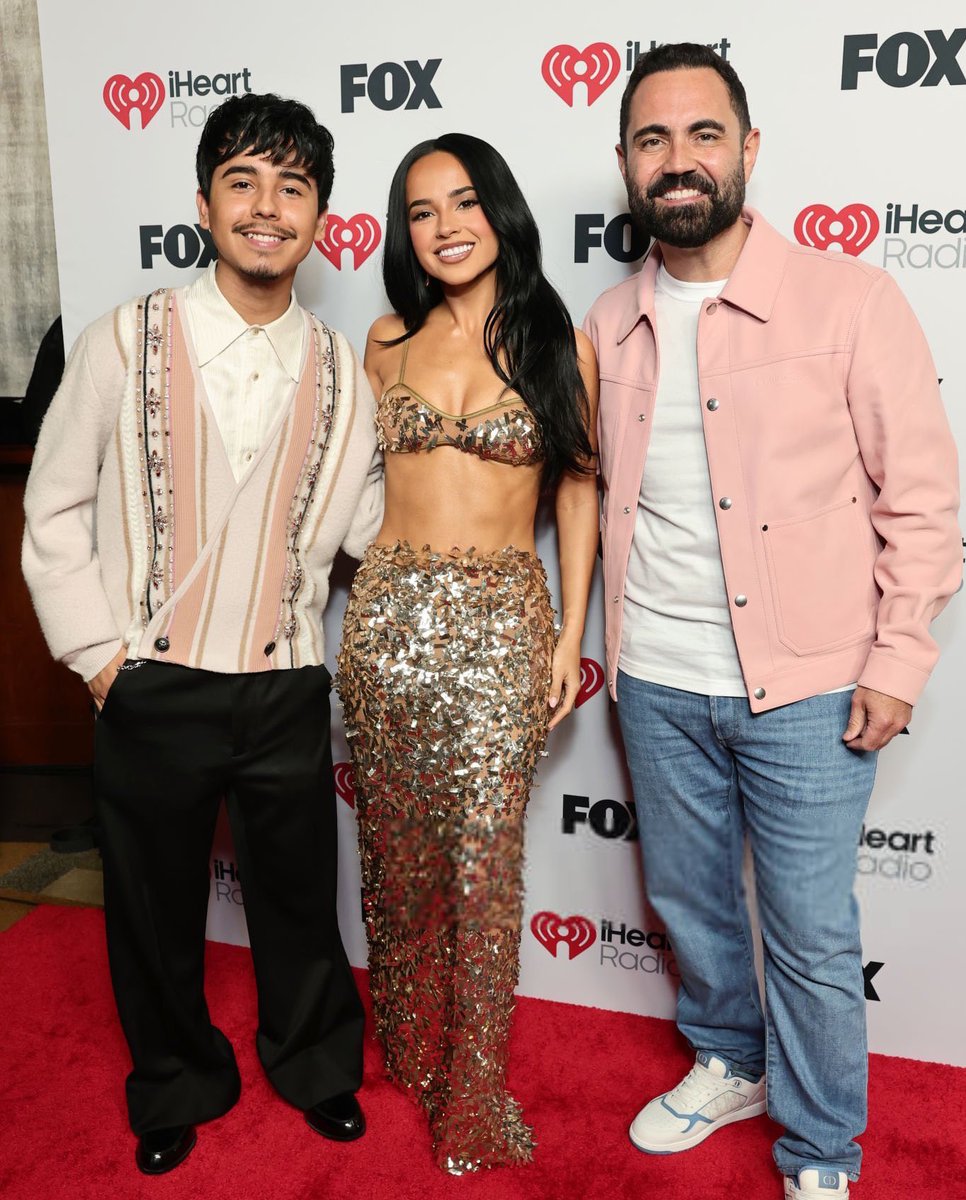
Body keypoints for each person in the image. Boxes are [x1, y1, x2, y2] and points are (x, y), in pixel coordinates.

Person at [584, 43, 960, 1200]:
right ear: (626, 163)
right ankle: (729, 1061)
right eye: (653, 139)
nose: (679, 159)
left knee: (809, 931)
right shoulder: (609, 320)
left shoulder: (850, 300)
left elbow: (924, 498)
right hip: (656, 676)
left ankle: (821, 1151)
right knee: (692, 904)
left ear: (748, 150)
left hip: (808, 683)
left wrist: (898, 657)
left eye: (703, 134)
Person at [22, 93, 382, 1175]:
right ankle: (174, 1078)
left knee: (299, 899)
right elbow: (53, 506)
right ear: (203, 203)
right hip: (152, 682)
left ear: (320, 216)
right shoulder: (122, 338)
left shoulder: (344, 367)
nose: (268, 207)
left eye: (293, 186)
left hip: (285, 682)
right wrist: (98, 659)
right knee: (151, 906)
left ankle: (315, 1064)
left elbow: (365, 526)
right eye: (244, 182)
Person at [336, 133, 599, 1174]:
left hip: (501, 628)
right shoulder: (384, 340)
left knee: (484, 871)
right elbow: (344, 484)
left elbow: (577, 488)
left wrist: (570, 634)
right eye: (420, 211)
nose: (444, 226)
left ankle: (475, 1090)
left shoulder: (554, 340)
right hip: (388, 624)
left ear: (501, 210)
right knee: (398, 860)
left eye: (463, 202)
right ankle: (409, 1049)